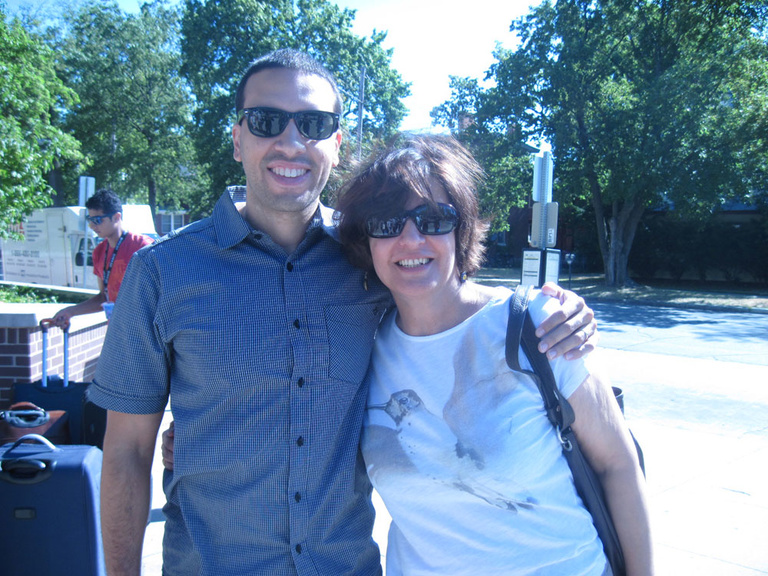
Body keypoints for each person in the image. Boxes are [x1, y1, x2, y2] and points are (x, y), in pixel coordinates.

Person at [90, 49, 598, 576]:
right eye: (266, 121)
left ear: (336, 143)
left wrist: (557, 308)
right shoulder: (162, 272)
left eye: (313, 123)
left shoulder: (372, 255)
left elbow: (451, 293)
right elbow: (126, 450)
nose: (291, 141)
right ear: (238, 138)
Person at [334, 135, 653, 575]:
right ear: (365, 239)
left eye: (432, 218)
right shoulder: (359, 348)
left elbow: (618, 464)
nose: (410, 238)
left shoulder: (537, 323)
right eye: (386, 223)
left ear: (461, 227)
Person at [51, 188, 154, 328]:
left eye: (97, 220)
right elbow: (104, 297)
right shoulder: (99, 252)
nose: (92, 226)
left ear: (117, 217)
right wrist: (70, 311)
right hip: (116, 330)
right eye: (90, 220)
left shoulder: (143, 247)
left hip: (144, 330)